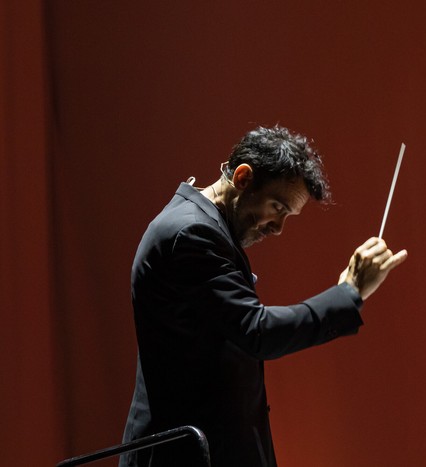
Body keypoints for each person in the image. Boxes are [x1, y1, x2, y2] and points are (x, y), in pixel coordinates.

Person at [119, 125, 408, 467]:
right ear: (243, 177)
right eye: (277, 207)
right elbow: (256, 331)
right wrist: (349, 292)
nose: (278, 227)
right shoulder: (191, 233)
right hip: (184, 456)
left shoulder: (201, 226)